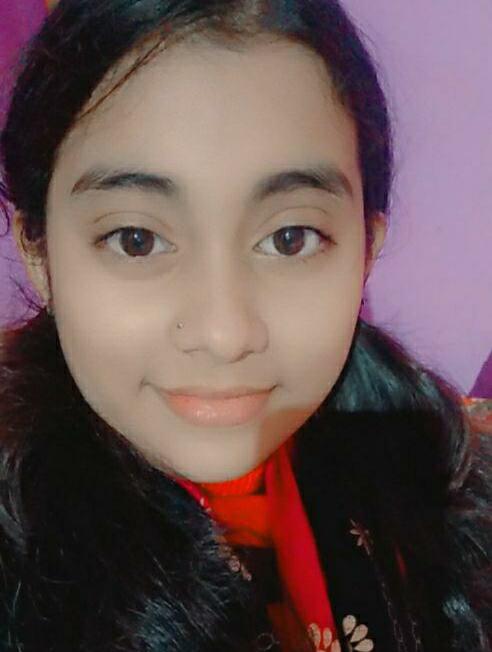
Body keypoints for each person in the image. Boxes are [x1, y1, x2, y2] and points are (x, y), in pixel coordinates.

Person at [0, 1, 490, 650]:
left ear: (366, 249)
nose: (225, 334)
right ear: (39, 253)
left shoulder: (435, 478)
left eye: (290, 238)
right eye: (137, 239)